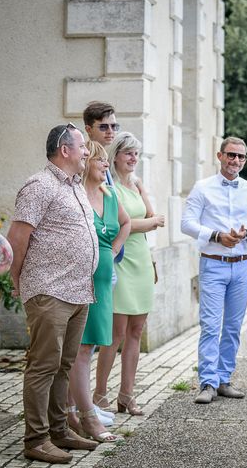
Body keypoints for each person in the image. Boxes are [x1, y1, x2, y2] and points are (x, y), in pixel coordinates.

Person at [7, 124, 100, 463]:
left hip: (77, 291)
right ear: (65, 150)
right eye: (82, 146)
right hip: (49, 290)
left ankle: (59, 431)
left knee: (63, 365)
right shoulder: (39, 185)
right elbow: (17, 239)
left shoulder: (75, 186)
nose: (87, 152)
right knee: (43, 366)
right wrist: (18, 283)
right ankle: (36, 439)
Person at [181, 137, 247, 403]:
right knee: (210, 325)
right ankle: (207, 382)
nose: (236, 161)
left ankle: (224, 379)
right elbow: (186, 223)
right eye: (231, 155)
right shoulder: (203, 187)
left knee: (232, 327)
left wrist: (246, 234)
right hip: (213, 264)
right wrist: (217, 235)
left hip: (242, 267)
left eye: (241, 157)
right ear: (220, 156)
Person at [93, 132, 165, 415]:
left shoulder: (135, 184)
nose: (134, 159)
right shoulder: (107, 187)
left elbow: (151, 215)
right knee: (116, 333)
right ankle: (99, 395)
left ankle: (127, 395)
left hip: (142, 261)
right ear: (116, 156)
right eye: (128, 153)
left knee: (136, 330)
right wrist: (147, 223)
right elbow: (118, 225)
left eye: (137, 154)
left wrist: (141, 190)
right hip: (120, 260)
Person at [67, 141, 130, 442]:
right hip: (79, 281)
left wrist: (113, 250)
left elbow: (126, 223)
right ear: (86, 162)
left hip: (105, 281)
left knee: (88, 348)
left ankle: (72, 410)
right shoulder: (75, 195)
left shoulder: (109, 194)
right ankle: (82, 415)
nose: (106, 165)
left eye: (107, 160)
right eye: (100, 160)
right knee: (80, 348)